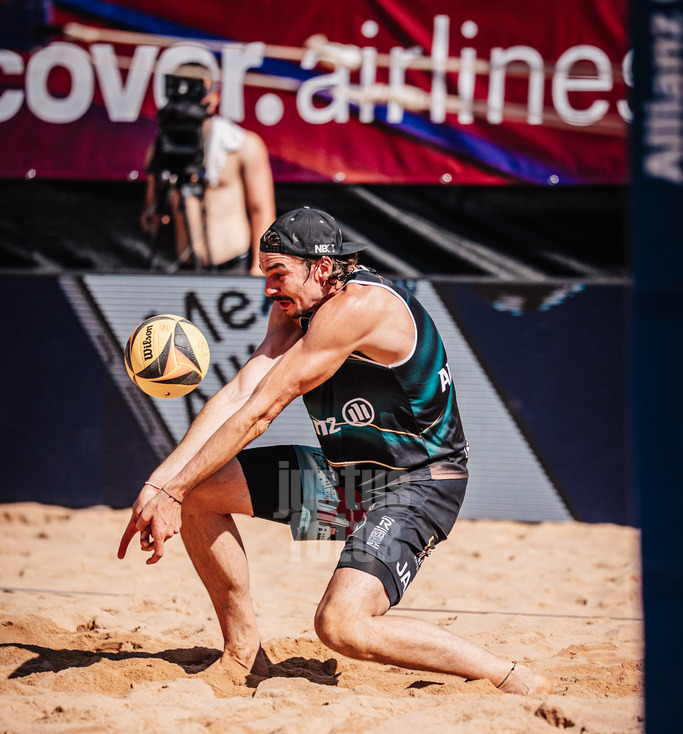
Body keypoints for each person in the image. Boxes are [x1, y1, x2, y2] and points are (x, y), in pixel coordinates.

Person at [119, 207, 553, 697]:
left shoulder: (358, 308)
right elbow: (242, 392)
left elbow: (262, 412)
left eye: (278, 274)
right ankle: (243, 657)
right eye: (265, 274)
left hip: (419, 485)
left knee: (341, 626)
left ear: (321, 268)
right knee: (199, 491)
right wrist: (164, 482)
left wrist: (171, 489)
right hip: (345, 482)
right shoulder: (296, 307)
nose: (269, 289)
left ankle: (509, 676)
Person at [141, 65, 275, 274]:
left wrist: (259, 269)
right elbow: (151, 211)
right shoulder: (161, 148)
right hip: (184, 267)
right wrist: (157, 209)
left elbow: (262, 211)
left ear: (214, 96)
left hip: (233, 265)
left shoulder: (242, 144)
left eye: (196, 93)